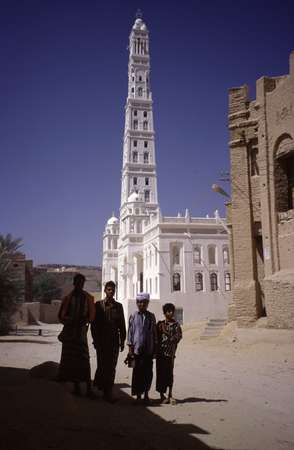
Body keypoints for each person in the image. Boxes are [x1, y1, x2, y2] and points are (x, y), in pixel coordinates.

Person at [57, 273, 95, 397]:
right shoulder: (68, 298)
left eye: (82, 283)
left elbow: (92, 316)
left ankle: (88, 388)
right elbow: (61, 316)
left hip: (81, 334)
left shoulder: (88, 298)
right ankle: (77, 387)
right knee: (72, 361)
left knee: (84, 360)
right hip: (70, 334)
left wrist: (85, 320)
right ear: (74, 283)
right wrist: (71, 320)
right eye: (78, 282)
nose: (80, 285)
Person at [91, 280, 126, 402]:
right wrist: (95, 341)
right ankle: (99, 388)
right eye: (109, 289)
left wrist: (122, 340)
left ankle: (108, 391)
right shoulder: (98, 305)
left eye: (113, 289)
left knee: (112, 367)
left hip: (114, 342)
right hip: (101, 342)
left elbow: (122, 325)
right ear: (105, 290)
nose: (111, 291)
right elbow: (94, 325)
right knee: (102, 366)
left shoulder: (119, 307)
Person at [127, 293, 157, 404]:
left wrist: (155, 350)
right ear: (136, 303)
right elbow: (130, 333)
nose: (142, 304)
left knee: (148, 374)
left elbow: (154, 333)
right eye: (139, 302)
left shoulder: (151, 316)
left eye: (144, 302)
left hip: (148, 350)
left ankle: (146, 396)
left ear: (147, 303)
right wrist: (130, 350)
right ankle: (138, 396)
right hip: (137, 351)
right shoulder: (133, 316)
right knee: (137, 374)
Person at [156, 303, 182, 405]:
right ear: (164, 313)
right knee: (161, 374)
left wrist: (166, 333)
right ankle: (162, 395)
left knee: (169, 375)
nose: (170, 313)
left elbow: (177, 338)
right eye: (168, 311)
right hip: (161, 355)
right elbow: (156, 338)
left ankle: (170, 394)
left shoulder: (176, 325)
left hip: (170, 355)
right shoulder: (160, 324)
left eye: (171, 311)